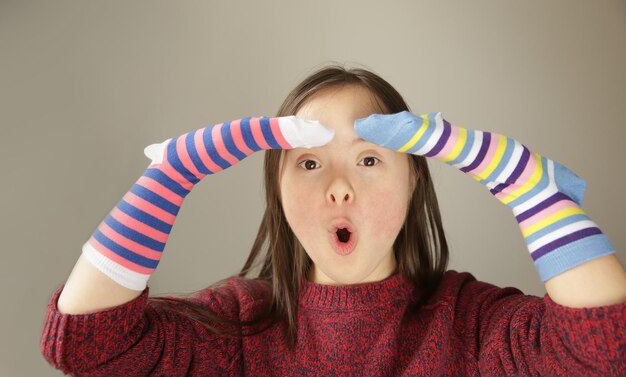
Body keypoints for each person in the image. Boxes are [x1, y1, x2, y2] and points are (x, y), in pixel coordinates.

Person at [40, 65, 626, 376]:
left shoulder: (471, 325)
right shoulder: (235, 330)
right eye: (310, 163)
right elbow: (86, 344)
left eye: (369, 160)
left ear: (415, 177)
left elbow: (605, 348)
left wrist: (523, 181)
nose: (339, 185)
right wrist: (173, 174)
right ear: (277, 184)